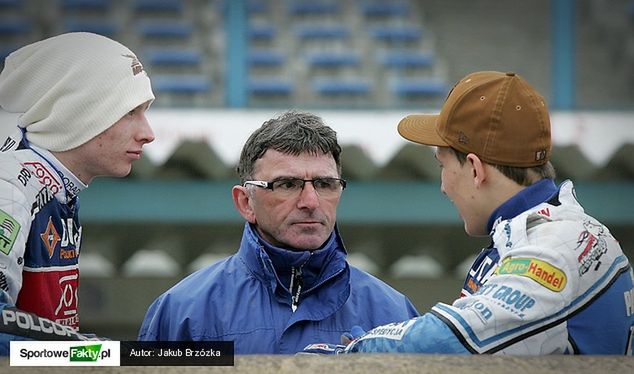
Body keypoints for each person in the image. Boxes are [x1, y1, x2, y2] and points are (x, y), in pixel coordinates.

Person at [334, 71, 633, 355]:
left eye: (443, 166)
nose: (443, 187)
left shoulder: (553, 247)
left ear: (476, 170)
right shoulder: (557, 227)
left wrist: (357, 347)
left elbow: (448, 340)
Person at [138, 110, 419, 354]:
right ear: (245, 202)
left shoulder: (393, 314)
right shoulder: (182, 312)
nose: (310, 202)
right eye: (287, 184)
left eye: (324, 184)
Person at [0, 32, 155, 354]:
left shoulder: (53, 187)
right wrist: (108, 355)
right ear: (76, 112)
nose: (147, 134)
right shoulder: (9, 188)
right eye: (130, 112)